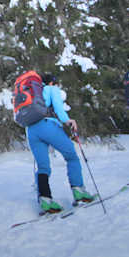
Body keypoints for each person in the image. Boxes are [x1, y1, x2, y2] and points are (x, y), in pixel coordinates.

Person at [20, 73, 97, 214]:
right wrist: (68, 121)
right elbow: (58, 108)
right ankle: (79, 192)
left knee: (43, 167)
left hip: (31, 131)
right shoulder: (51, 89)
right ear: (51, 83)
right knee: (71, 157)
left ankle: (45, 200)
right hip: (47, 126)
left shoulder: (30, 94)